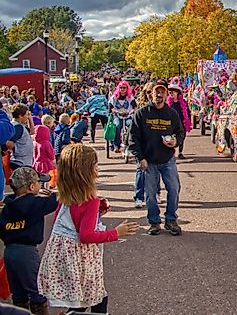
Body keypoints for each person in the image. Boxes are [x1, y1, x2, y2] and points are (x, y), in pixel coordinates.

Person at [37, 144, 139, 313]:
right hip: (83, 259)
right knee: (97, 297)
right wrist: (115, 233)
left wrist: (96, 215)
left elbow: (64, 222)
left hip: (66, 258)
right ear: (86, 171)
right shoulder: (91, 201)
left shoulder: (64, 196)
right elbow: (86, 235)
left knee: (78, 298)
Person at [128, 79, 185, 236]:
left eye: (162, 92)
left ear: (167, 94)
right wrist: (140, 158)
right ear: (150, 94)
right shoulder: (141, 114)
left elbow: (180, 132)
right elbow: (133, 138)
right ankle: (154, 222)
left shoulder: (171, 114)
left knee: (174, 188)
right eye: (156, 92)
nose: (159, 95)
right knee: (151, 194)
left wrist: (176, 141)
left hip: (167, 159)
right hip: (149, 161)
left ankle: (171, 220)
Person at [0, 168, 58, 315]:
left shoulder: (7, 208)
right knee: (37, 290)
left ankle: (20, 311)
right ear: (31, 187)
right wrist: (52, 194)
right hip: (27, 252)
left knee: (18, 292)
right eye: (39, 183)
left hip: (10, 252)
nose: (40, 185)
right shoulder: (35, 203)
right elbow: (56, 201)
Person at [108, 81, 137, 153]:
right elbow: (110, 107)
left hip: (128, 116)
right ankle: (116, 145)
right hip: (117, 116)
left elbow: (134, 106)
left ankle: (128, 143)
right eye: (121, 88)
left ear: (127, 88)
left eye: (124, 88)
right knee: (117, 126)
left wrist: (133, 110)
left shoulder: (130, 97)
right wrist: (114, 110)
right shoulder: (114, 97)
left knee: (131, 125)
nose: (122, 89)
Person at [166, 83, 192, 159]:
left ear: (177, 93)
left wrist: (188, 121)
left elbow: (187, 112)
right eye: (170, 92)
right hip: (172, 124)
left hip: (181, 123)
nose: (171, 93)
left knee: (182, 138)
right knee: (171, 138)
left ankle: (180, 152)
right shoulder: (167, 103)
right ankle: (172, 152)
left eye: (172, 92)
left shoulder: (183, 102)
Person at [7, 104, 35, 170]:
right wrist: (16, 150)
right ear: (20, 116)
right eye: (26, 115)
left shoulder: (20, 126)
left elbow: (32, 132)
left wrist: (30, 119)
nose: (27, 117)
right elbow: (9, 143)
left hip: (24, 161)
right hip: (20, 162)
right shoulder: (17, 127)